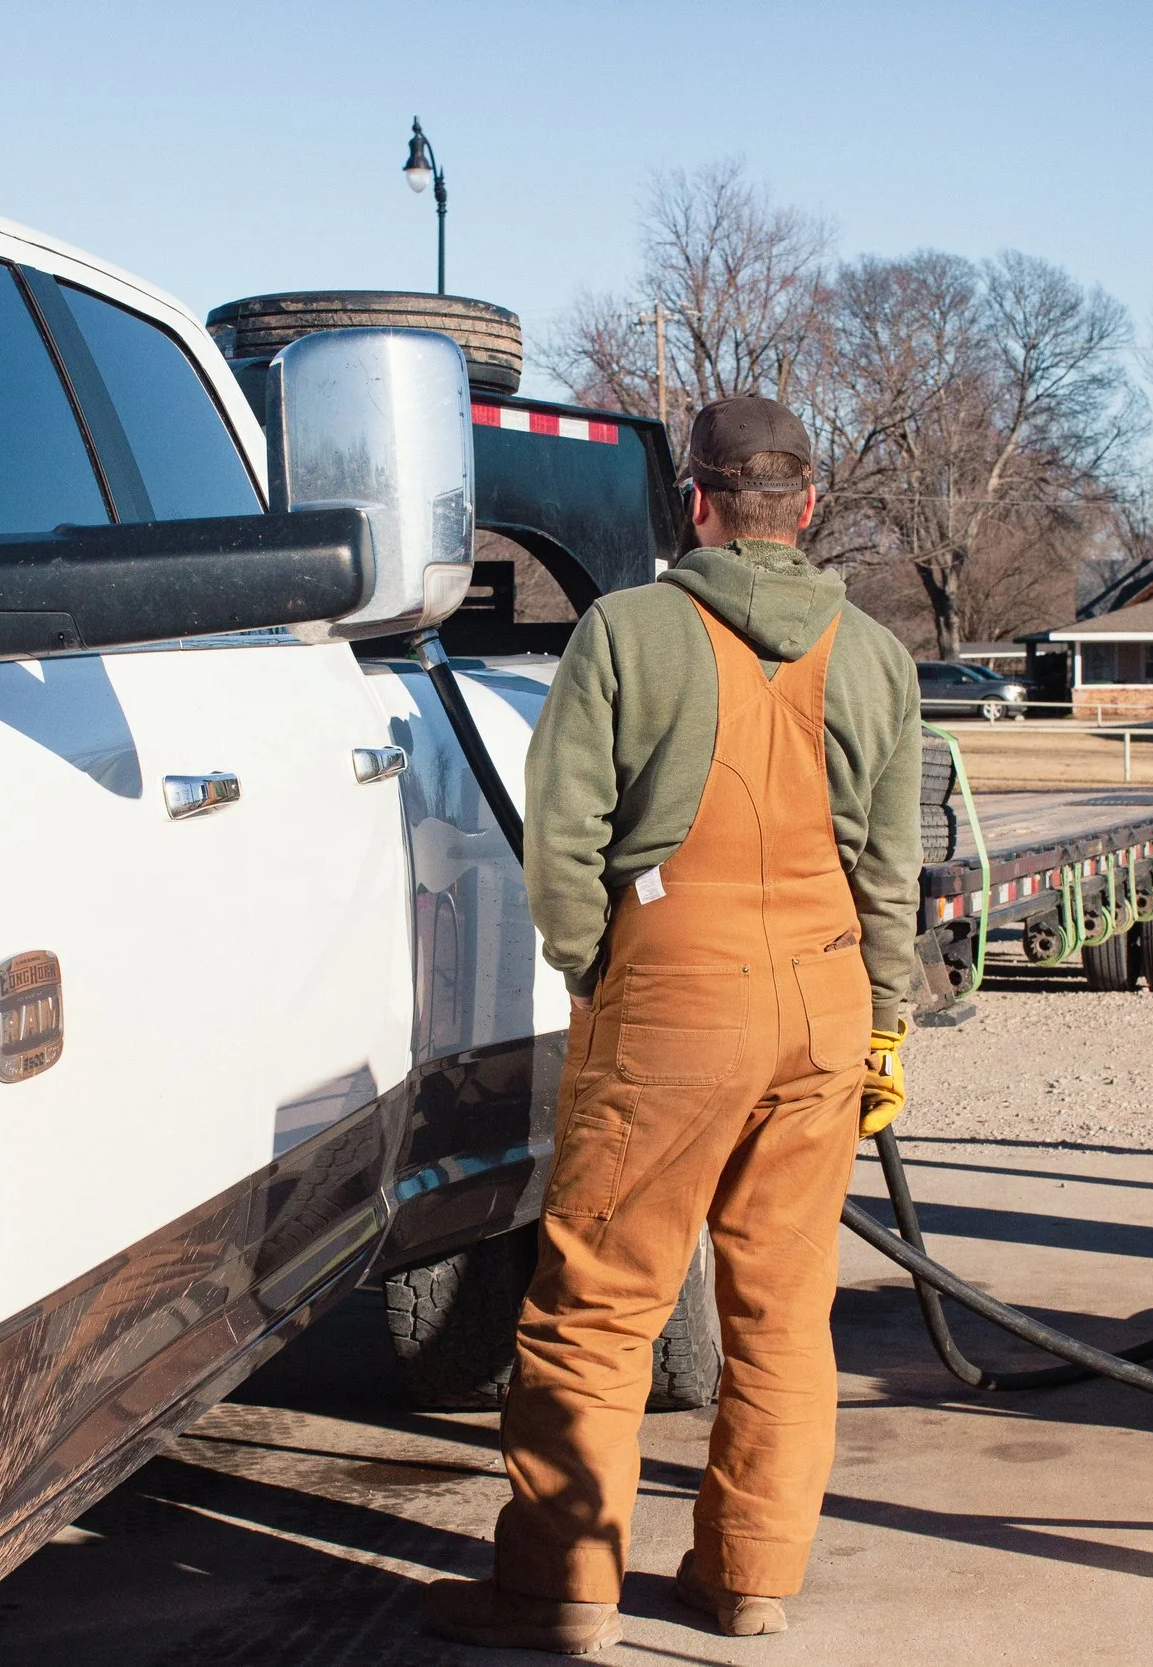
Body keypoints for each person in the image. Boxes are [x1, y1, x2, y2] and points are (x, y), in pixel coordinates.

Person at [422, 395, 923, 1654]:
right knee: (780, 1315)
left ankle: (561, 1591)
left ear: (692, 501)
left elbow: (563, 841)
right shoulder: (873, 654)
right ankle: (751, 1578)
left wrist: (601, 968)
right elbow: (893, 872)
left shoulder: (627, 632)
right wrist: (885, 1024)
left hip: (672, 997)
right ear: (804, 506)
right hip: (823, 1006)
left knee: (597, 1308)